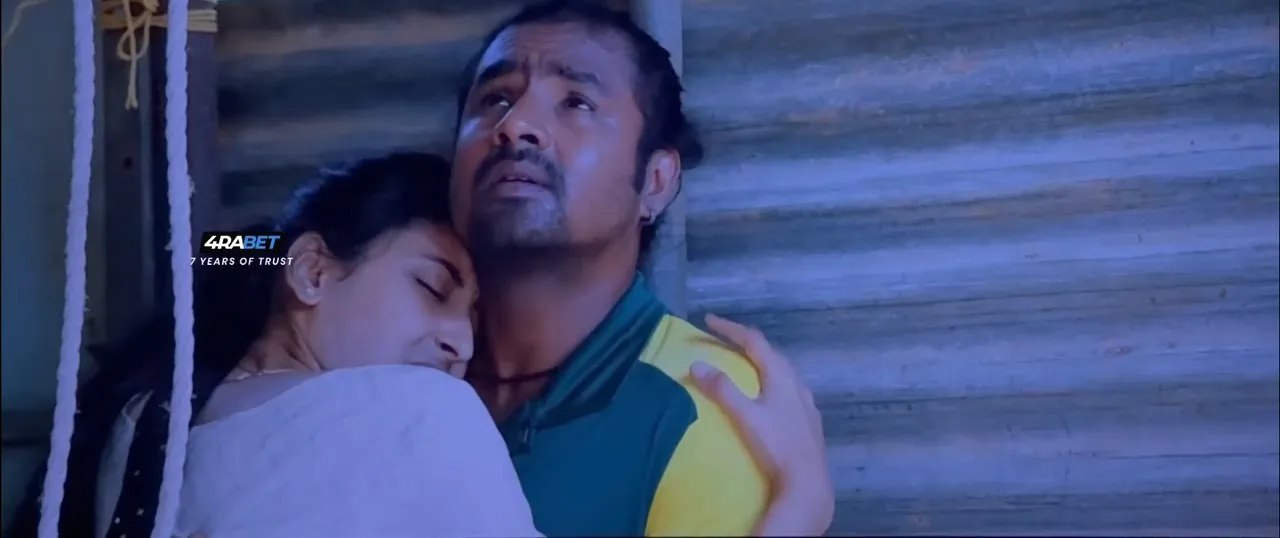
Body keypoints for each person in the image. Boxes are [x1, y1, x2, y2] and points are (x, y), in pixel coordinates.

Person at [7, 153, 829, 538]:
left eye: (474, 318)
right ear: (313, 272)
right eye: (434, 287)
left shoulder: (139, 423)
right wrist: (796, 508)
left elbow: (218, 249)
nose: (458, 342)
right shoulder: (416, 412)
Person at [448, 0, 833, 536]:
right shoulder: (390, 362)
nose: (515, 126)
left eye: (576, 102)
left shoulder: (704, 404)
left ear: (655, 181)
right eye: (495, 99)